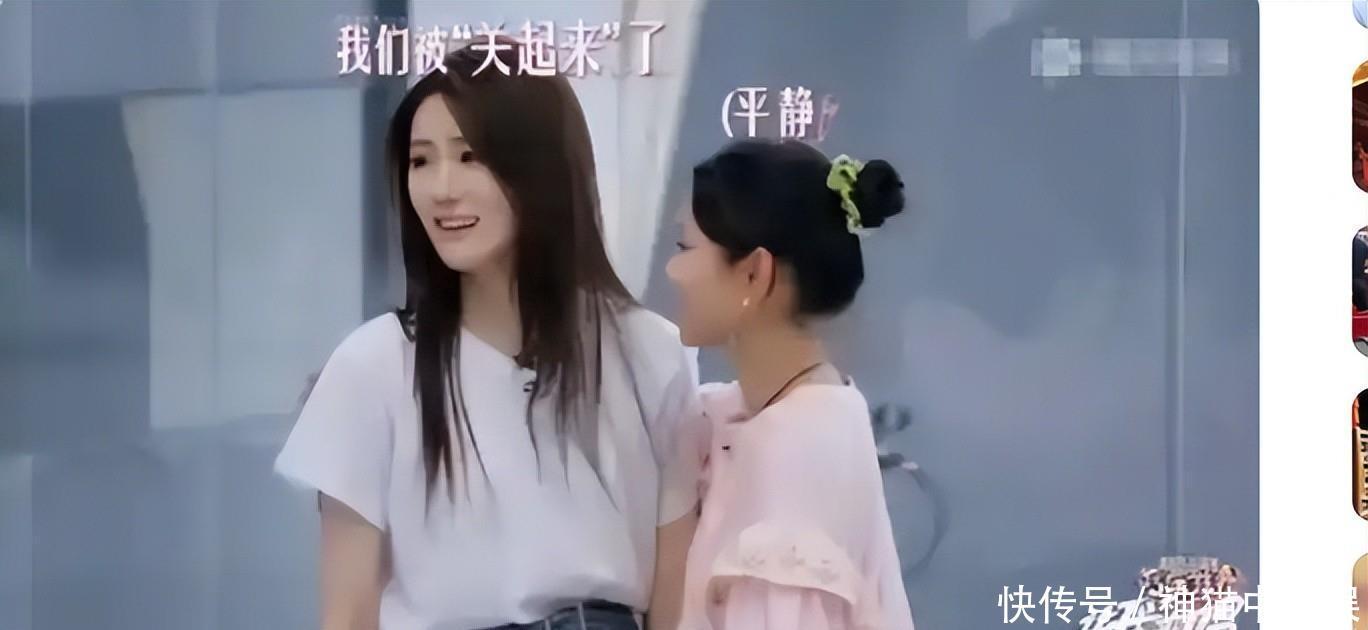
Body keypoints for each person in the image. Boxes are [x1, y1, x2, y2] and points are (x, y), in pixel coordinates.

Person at [275, 39, 700, 630]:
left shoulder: (648, 352)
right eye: (420, 161)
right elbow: (347, 615)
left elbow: (677, 593)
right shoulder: (372, 367)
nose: (441, 188)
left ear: (542, 168)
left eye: (469, 156)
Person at [664, 139, 916, 629]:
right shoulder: (767, 414)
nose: (674, 271)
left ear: (755, 273)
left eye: (686, 249)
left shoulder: (796, 446)